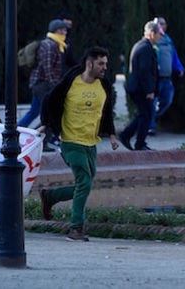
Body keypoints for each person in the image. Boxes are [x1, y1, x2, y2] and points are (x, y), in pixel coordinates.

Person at [39, 46, 119, 241]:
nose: (104, 68)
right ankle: (76, 228)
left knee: (86, 182)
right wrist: (46, 124)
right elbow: (49, 101)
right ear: (89, 63)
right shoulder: (71, 81)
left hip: (90, 143)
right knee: (84, 181)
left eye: (106, 64)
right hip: (70, 141)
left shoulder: (104, 85)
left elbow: (107, 111)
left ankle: (50, 197)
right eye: (101, 64)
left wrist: (112, 134)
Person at [119, 20, 161, 151]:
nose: (161, 36)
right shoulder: (145, 48)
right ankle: (139, 144)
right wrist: (149, 90)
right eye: (159, 33)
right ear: (152, 34)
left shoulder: (144, 46)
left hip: (138, 88)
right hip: (141, 89)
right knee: (146, 115)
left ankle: (126, 136)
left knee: (143, 114)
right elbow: (144, 71)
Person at [19, 19, 69, 129]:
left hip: (40, 84)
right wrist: (55, 85)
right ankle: (44, 139)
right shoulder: (50, 45)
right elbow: (48, 68)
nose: (65, 32)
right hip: (43, 85)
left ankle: (16, 130)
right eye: (62, 30)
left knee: (34, 112)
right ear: (56, 31)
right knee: (50, 113)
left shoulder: (57, 44)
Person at [150, 16, 184, 135]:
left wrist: (179, 68)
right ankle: (151, 126)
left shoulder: (169, 41)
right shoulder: (152, 41)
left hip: (167, 78)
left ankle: (152, 117)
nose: (162, 26)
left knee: (167, 101)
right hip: (156, 79)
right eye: (159, 24)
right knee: (153, 102)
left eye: (164, 24)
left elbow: (174, 57)